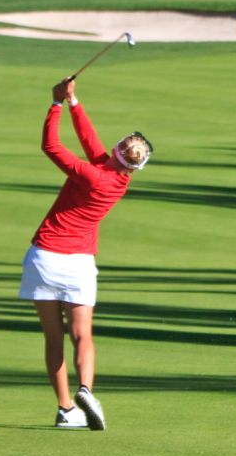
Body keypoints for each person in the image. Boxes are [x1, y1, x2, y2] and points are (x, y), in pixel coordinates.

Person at [20, 78, 153, 430]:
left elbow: (51, 146)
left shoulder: (91, 174)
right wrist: (74, 101)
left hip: (44, 257)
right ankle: (86, 390)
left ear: (116, 150)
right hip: (78, 264)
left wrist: (55, 104)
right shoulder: (117, 180)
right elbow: (91, 144)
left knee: (53, 337)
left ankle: (65, 409)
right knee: (83, 335)